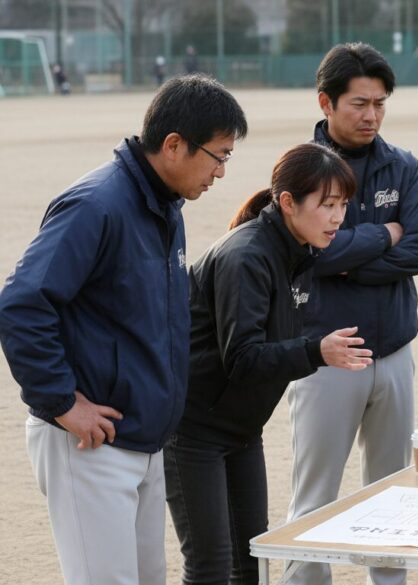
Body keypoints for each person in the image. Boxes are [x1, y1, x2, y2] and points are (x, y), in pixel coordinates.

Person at [0, 74, 247, 585]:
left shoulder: (165, 206)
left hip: (145, 440)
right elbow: (21, 304)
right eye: (219, 155)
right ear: (174, 145)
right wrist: (63, 403)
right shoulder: (96, 205)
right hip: (89, 442)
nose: (221, 172)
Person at [165, 143, 374, 584]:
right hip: (193, 434)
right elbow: (242, 358)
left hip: (242, 432)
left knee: (250, 563)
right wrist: (316, 351)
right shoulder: (247, 257)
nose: (339, 218)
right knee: (210, 568)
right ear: (287, 202)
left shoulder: (298, 251)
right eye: (328, 205)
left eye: (343, 206)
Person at [285, 42, 418, 585]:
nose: (371, 114)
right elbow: (307, 255)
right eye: (358, 103)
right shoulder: (301, 170)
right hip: (324, 356)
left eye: (380, 103)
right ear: (325, 102)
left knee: (394, 488)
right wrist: (382, 236)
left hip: (393, 352)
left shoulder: (404, 165)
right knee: (315, 491)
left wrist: (344, 255)